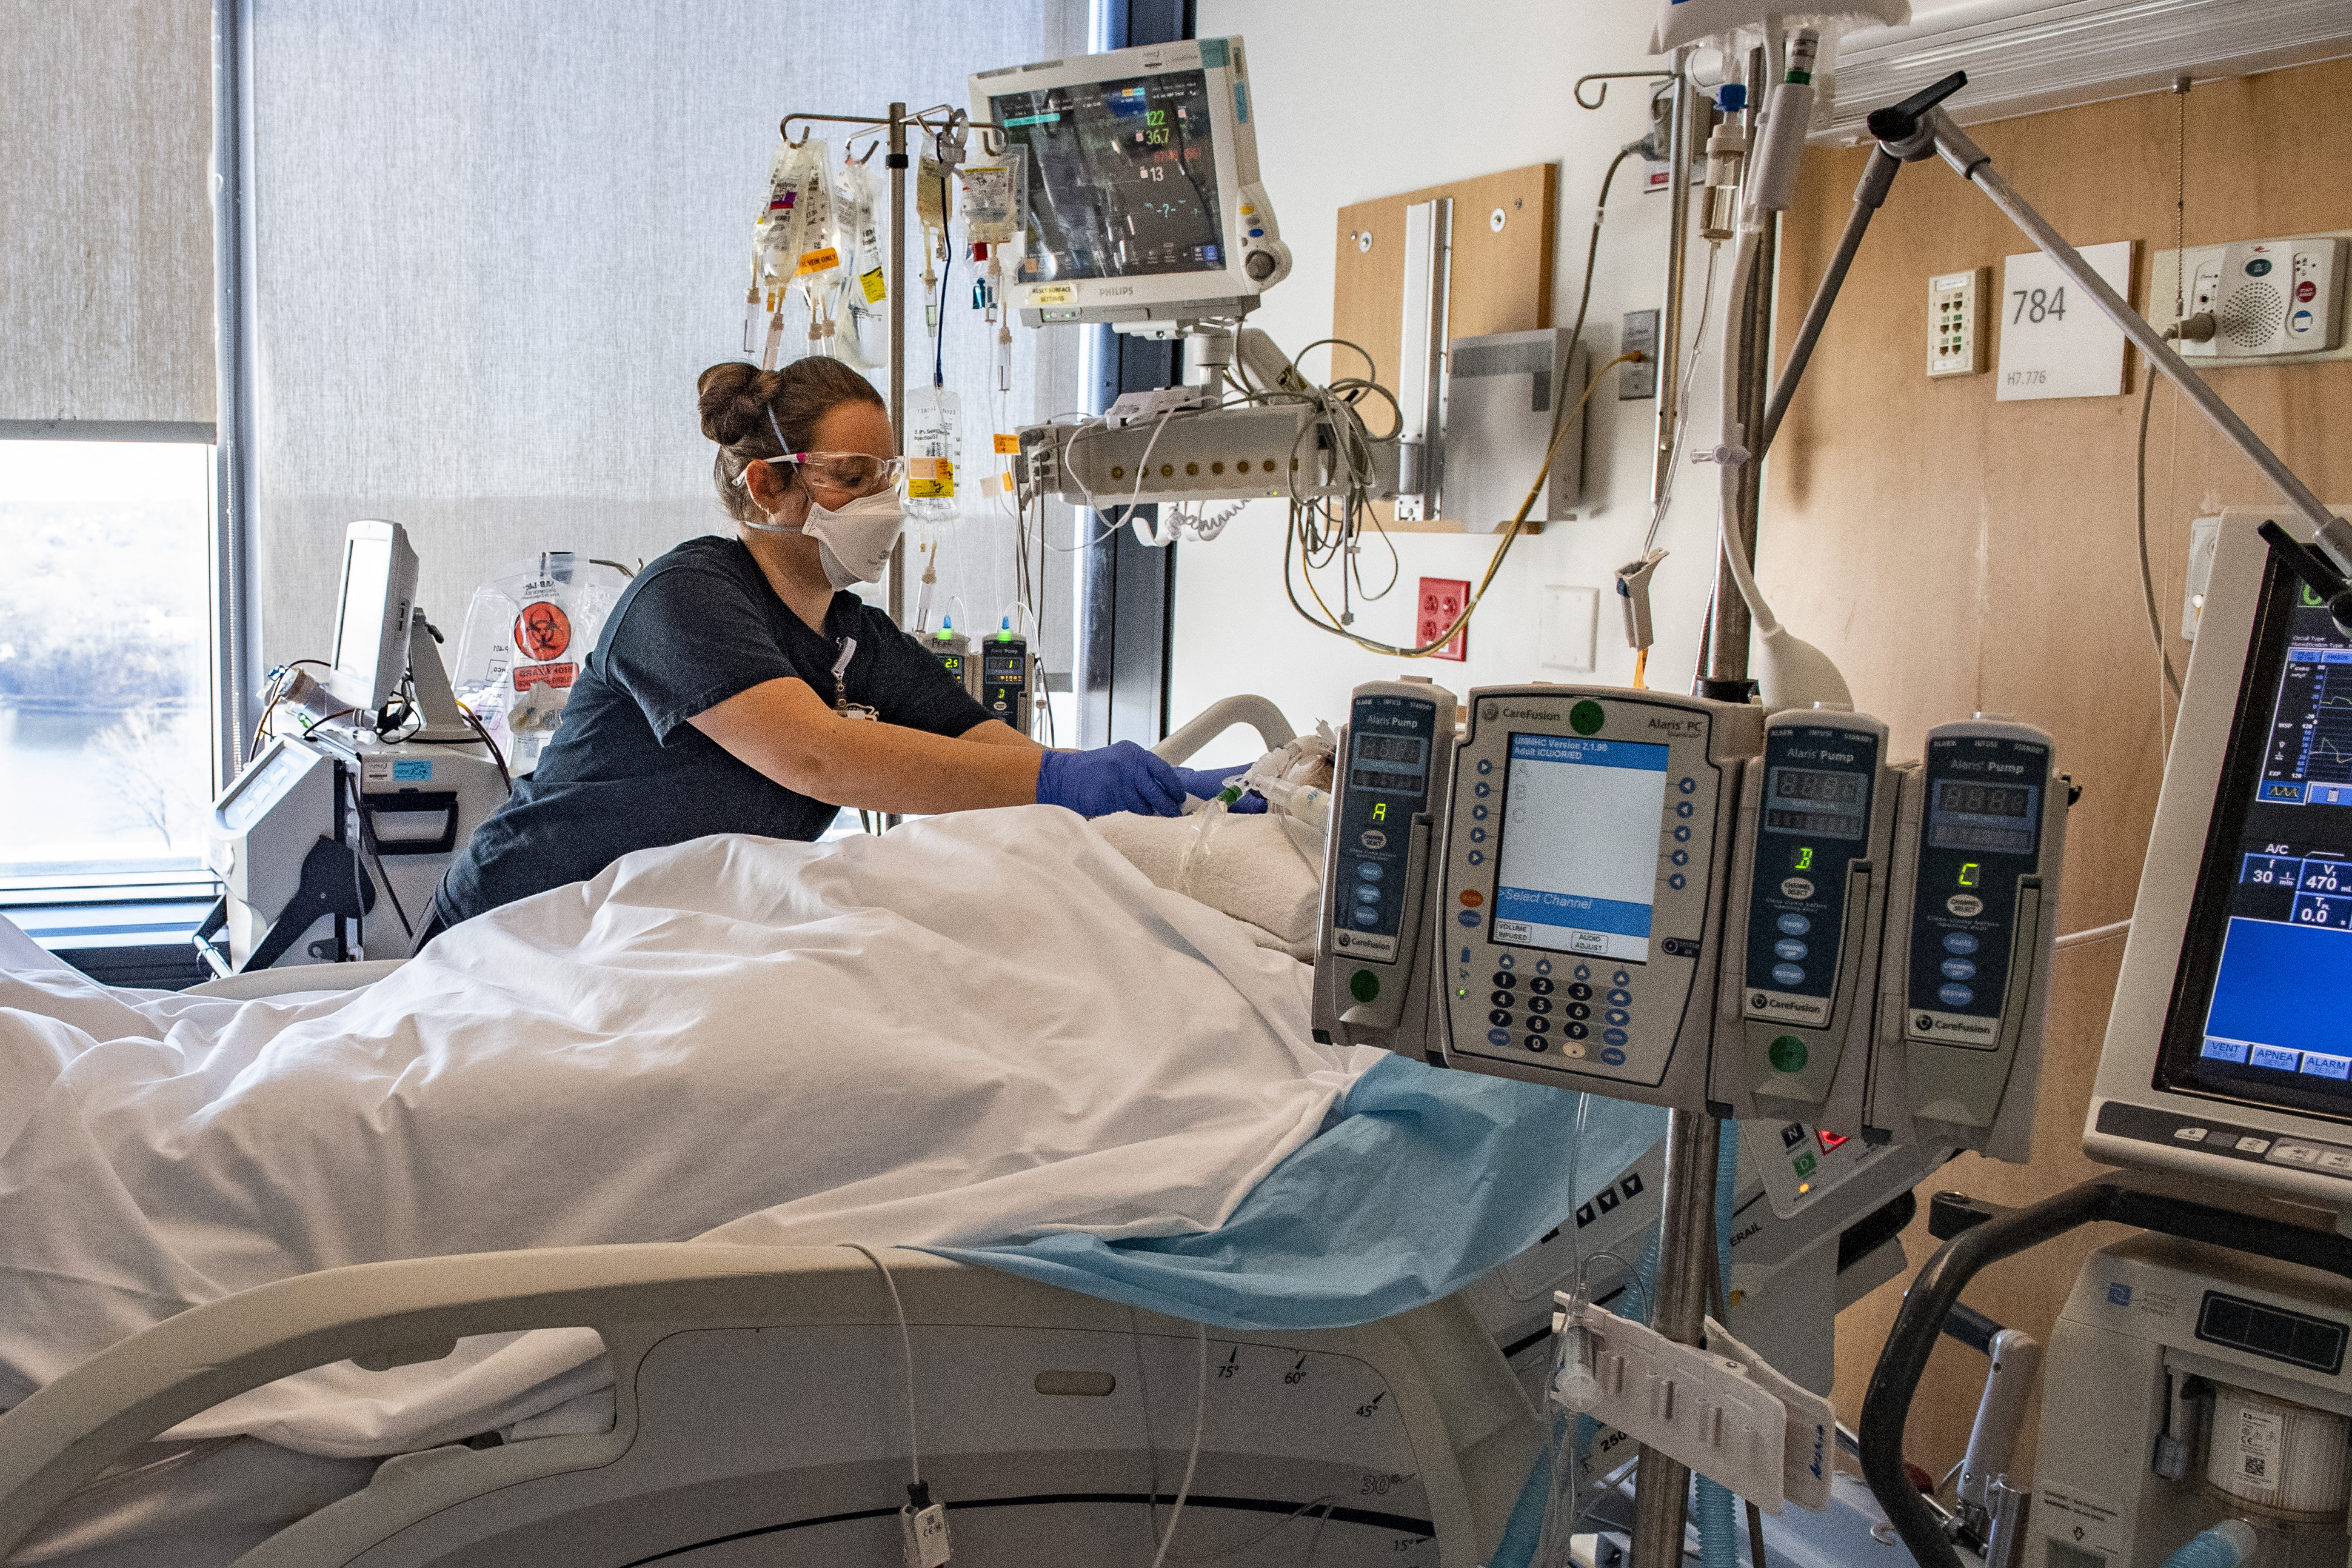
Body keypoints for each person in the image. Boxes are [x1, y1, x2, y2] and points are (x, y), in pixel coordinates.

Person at [426, 357, 1235, 935]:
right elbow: (816, 756)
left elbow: (993, 755)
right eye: (851, 477)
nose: (883, 502)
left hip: (657, 934)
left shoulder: (854, 638)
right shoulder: (685, 598)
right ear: (767, 485)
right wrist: (1059, 780)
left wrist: (1164, 795)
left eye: (886, 475)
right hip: (524, 919)